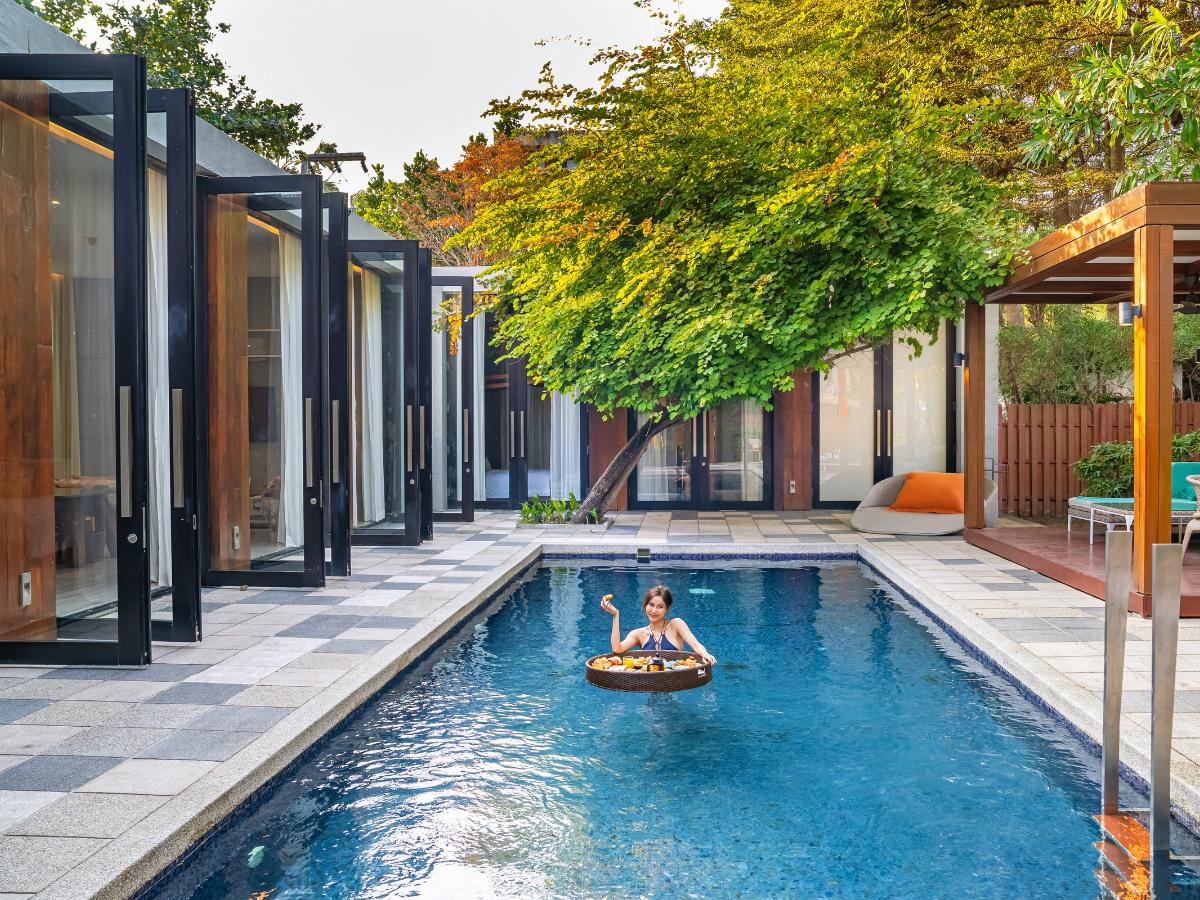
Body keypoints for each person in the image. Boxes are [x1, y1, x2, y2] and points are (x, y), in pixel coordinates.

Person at [600, 585, 716, 664]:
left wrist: (705, 654)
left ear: (666, 609)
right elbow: (617, 649)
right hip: (651, 685)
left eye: (660, 607)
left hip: (677, 684)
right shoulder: (639, 634)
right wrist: (616, 615)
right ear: (645, 605)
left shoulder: (676, 624)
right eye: (651, 605)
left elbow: (695, 644)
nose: (654, 611)